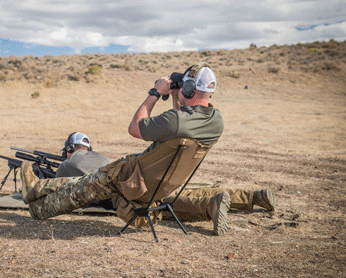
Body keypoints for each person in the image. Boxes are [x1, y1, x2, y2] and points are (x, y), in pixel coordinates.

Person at [21, 62, 274, 235]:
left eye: (183, 86)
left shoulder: (175, 121)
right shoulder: (215, 121)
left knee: (87, 184)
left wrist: (155, 92)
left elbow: (135, 128)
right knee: (200, 191)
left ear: (187, 88)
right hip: (162, 186)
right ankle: (252, 199)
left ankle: (38, 202)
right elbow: (182, 120)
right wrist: (177, 97)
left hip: (133, 183)